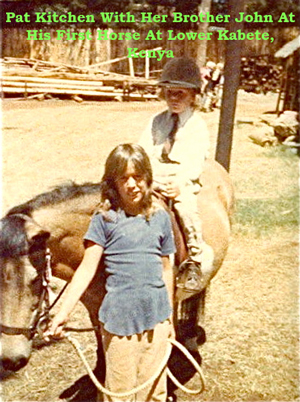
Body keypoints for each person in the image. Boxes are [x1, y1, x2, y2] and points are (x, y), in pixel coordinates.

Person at [44, 143, 176, 402]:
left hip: (158, 317)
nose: (131, 185)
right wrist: (62, 313)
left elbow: (166, 268)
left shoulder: (160, 217)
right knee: (119, 392)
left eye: (137, 177)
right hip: (120, 321)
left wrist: (169, 318)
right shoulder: (104, 220)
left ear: (148, 178)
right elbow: (86, 269)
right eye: (123, 178)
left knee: (155, 392)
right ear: (113, 183)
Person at [139, 57, 214, 293]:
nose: (174, 99)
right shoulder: (156, 121)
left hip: (180, 179)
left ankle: (195, 255)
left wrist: (180, 184)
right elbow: (142, 149)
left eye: (180, 94)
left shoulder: (197, 126)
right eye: (170, 93)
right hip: (153, 177)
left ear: (193, 96)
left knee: (185, 207)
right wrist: (144, 175)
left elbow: (194, 162)